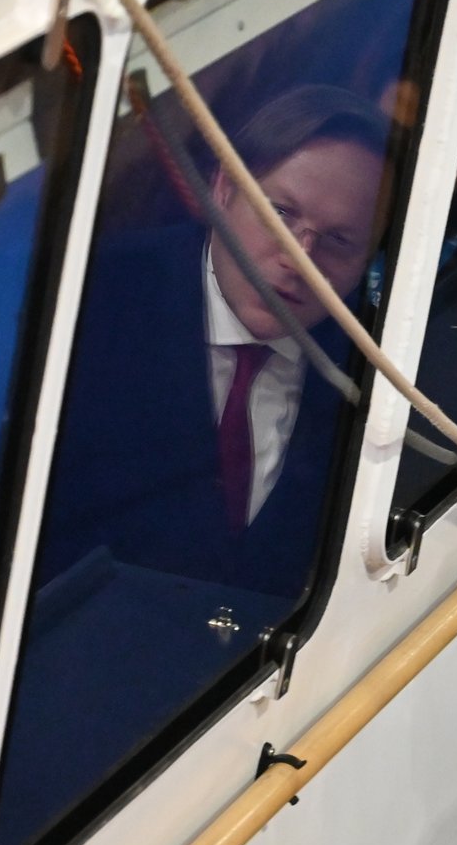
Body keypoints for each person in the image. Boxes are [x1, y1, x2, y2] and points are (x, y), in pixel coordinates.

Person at [33, 83, 390, 595]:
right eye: (280, 214)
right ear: (223, 191)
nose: (300, 259)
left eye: (338, 240)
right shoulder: (90, 306)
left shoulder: (376, 362)